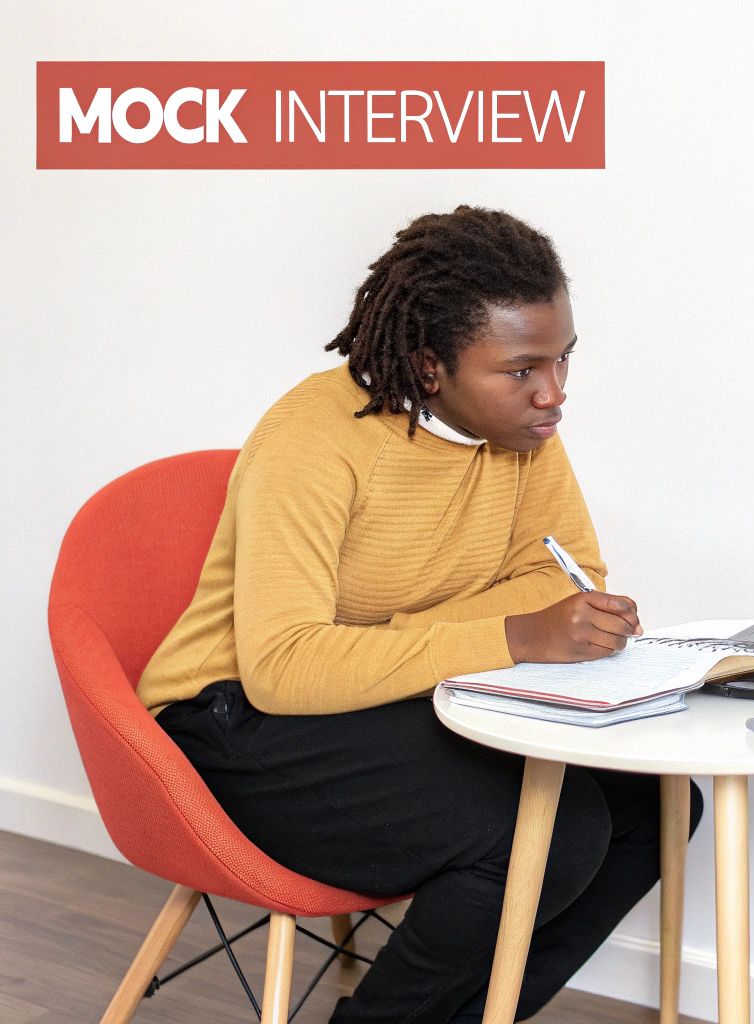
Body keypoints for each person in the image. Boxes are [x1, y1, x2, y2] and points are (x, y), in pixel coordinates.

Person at [138, 206, 701, 1024]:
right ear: (428, 366)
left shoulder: (525, 433)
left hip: (380, 697)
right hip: (231, 723)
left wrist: (400, 638)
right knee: (554, 832)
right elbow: (285, 667)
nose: (553, 392)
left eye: (563, 358)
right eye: (521, 369)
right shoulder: (314, 438)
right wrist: (512, 635)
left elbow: (558, 576)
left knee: (658, 806)